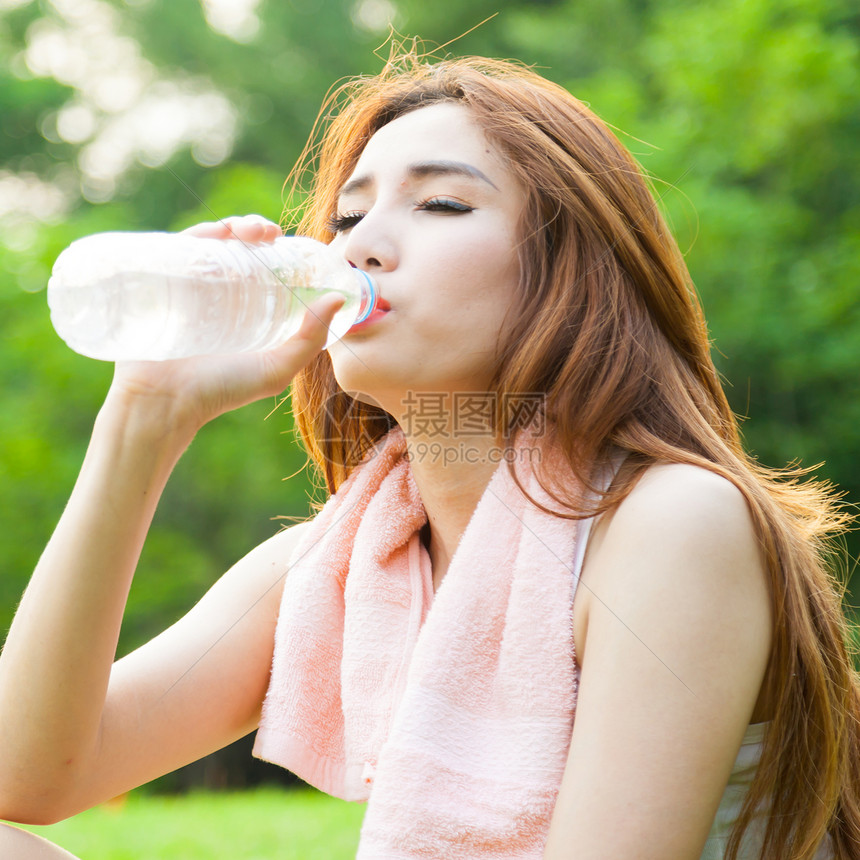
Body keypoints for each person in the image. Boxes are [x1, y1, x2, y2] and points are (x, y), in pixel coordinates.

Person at [1, 52, 858, 860]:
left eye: (441, 204)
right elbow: (27, 776)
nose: (360, 244)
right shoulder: (344, 563)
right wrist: (143, 417)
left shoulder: (667, 525)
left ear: (569, 272)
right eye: (347, 215)